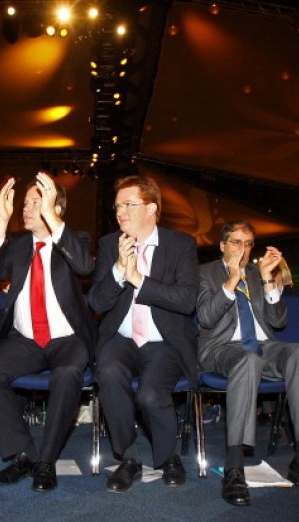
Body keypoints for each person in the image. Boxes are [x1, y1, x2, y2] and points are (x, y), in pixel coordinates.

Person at [196, 220, 299, 508]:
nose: (243, 249)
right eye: (236, 242)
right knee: (247, 360)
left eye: (248, 244)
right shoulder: (204, 273)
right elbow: (207, 318)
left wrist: (268, 280)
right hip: (223, 348)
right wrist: (230, 281)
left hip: (265, 346)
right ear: (223, 245)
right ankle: (235, 468)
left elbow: (278, 321)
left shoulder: (257, 273)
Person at [0, 172, 95, 492]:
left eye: (35, 202)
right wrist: (0, 221)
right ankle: (22, 454)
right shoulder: (15, 244)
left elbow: (84, 266)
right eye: (24, 203)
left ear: (55, 207)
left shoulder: (74, 239)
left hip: (66, 339)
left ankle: (46, 460)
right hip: (24, 341)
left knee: (68, 372)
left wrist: (53, 219)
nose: (25, 208)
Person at [88, 175, 198, 493]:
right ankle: (130, 458)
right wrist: (119, 272)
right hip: (121, 338)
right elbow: (97, 301)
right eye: (118, 205)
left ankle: (169, 457)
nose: (120, 211)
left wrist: (139, 279)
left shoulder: (180, 245)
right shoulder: (111, 245)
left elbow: (186, 300)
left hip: (163, 341)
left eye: (129, 204)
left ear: (151, 208)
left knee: (150, 396)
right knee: (107, 372)